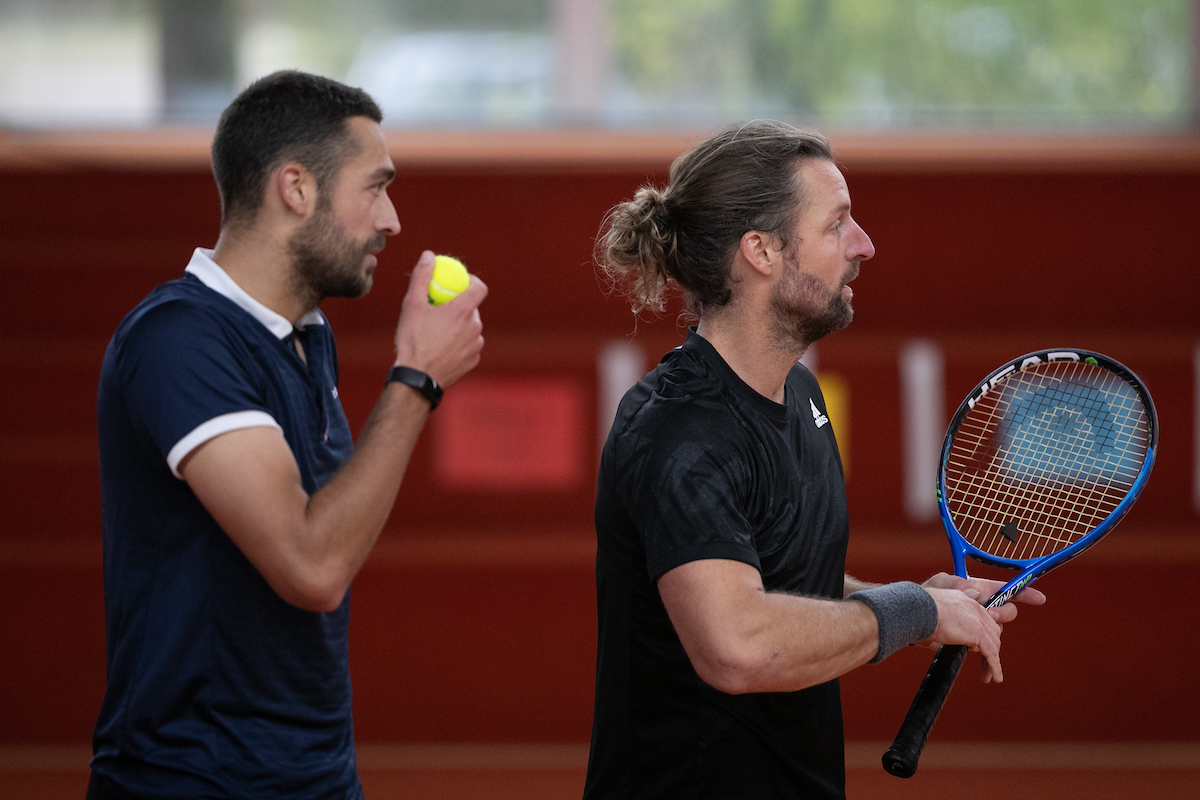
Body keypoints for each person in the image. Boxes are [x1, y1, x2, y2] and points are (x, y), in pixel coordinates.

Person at [583, 120, 1045, 799]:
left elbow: (781, 581)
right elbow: (737, 645)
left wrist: (922, 602)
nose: (863, 244)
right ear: (761, 251)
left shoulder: (800, 392)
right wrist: (913, 612)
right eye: (836, 225)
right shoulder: (678, 433)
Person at [88, 71, 487, 800]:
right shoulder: (179, 339)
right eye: (375, 188)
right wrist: (418, 378)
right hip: (195, 781)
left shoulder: (306, 335)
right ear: (296, 188)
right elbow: (312, 567)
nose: (392, 220)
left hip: (314, 778)